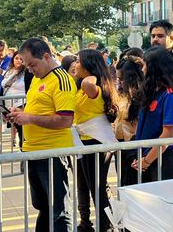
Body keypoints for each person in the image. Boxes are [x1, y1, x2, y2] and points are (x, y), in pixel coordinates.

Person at [7, 38, 75, 232]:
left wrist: (29, 118)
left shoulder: (62, 80)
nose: (30, 70)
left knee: (59, 210)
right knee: (43, 206)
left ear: (46, 56)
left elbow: (65, 120)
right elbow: (37, 108)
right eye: (27, 65)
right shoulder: (38, 77)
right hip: (34, 151)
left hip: (52, 153)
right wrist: (20, 113)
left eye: (32, 64)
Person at [127, 46, 173, 184]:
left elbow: (168, 134)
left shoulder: (170, 95)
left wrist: (147, 161)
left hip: (164, 159)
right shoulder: (153, 92)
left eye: (145, 65)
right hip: (149, 155)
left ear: (154, 68)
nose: (142, 69)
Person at [74, 49, 119, 232]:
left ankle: (105, 225)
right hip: (82, 141)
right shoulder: (80, 87)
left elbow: (87, 83)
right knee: (83, 185)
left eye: (78, 61)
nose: (75, 64)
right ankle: (86, 223)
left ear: (88, 65)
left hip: (97, 142)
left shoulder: (95, 88)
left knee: (97, 187)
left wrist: (91, 75)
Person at [114, 55, 144, 186]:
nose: (119, 82)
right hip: (120, 145)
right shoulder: (121, 94)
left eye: (121, 79)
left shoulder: (141, 95)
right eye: (117, 78)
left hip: (135, 147)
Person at [1, 51, 25, 148]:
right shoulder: (9, 70)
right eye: (16, 58)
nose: (19, 61)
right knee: (17, 128)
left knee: (22, 131)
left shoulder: (26, 72)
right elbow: (3, 84)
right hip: (9, 105)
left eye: (21, 59)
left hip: (22, 104)